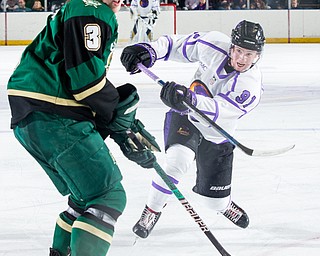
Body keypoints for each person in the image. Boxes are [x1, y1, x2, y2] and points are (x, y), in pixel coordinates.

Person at [7, 0, 160, 254]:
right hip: (53, 113)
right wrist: (116, 111)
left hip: (38, 115)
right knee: (107, 196)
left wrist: (119, 123)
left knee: (84, 198)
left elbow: (80, 80)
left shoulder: (80, 8)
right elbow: (86, 81)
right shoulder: (92, 9)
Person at [120, 20, 265, 238]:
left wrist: (189, 99)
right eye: (238, 51)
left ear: (258, 56)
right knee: (177, 163)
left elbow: (219, 111)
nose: (241, 59)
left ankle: (223, 205)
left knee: (213, 202)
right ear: (231, 46)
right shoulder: (214, 43)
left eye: (249, 54)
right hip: (185, 116)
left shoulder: (250, 85)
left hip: (217, 132)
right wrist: (149, 50)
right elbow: (176, 45)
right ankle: (152, 210)